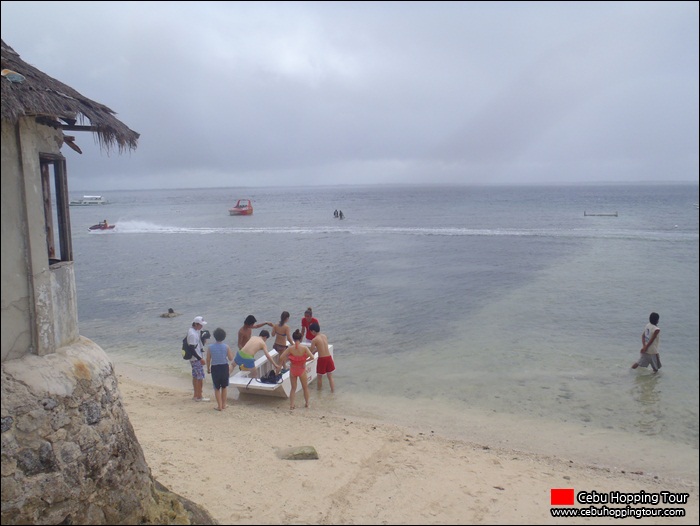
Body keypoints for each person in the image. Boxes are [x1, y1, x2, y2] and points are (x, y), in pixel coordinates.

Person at [277, 329, 315, 409]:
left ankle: (292, 405)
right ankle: (307, 403)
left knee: (293, 388)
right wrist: (305, 360)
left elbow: (281, 357)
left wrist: (289, 359)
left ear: (293, 339)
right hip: (301, 369)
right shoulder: (304, 348)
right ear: (301, 339)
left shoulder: (290, 348)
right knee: (305, 387)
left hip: (293, 369)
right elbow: (312, 357)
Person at [206, 328, 235, 411]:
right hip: (224, 367)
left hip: (215, 368)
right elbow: (230, 358)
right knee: (224, 387)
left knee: (216, 387)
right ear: (224, 337)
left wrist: (208, 368)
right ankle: (224, 404)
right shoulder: (226, 346)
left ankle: (219, 406)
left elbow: (208, 359)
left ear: (214, 336)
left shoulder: (210, 347)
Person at [187, 316, 210, 401]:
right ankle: (199, 396)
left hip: (195, 358)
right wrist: (200, 358)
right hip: (196, 359)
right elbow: (192, 349)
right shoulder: (192, 334)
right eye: (200, 325)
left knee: (196, 376)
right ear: (196, 324)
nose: (202, 326)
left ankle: (196, 395)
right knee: (200, 377)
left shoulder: (194, 331)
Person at [308, 322, 335, 393]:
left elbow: (310, 351)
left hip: (322, 359)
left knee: (319, 377)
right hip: (329, 357)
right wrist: (315, 351)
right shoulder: (324, 336)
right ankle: (333, 391)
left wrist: (306, 356)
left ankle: (319, 391)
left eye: (311, 331)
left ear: (313, 331)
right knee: (330, 376)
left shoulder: (314, 340)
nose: (311, 333)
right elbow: (322, 346)